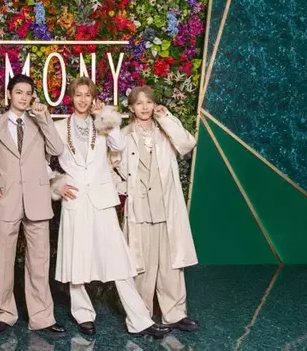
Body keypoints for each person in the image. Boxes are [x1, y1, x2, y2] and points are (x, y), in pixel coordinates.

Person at [51, 77, 171, 339]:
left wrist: (104, 117)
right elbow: (39, 158)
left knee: (119, 260)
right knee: (76, 259)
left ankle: (139, 320)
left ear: (93, 98)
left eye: (88, 95)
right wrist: (56, 184)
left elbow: (119, 146)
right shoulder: (59, 127)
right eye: (78, 94)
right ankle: (83, 315)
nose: (83, 99)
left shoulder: (103, 123)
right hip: (75, 198)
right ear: (71, 97)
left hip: (102, 197)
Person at [0, 74, 67, 338]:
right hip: (7, 199)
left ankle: (42, 317)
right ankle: (3, 313)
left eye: (28, 93)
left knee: (39, 260)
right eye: (19, 92)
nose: (24, 97)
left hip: (37, 199)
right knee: (3, 260)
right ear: (8, 94)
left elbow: (57, 148)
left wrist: (44, 117)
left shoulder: (39, 122)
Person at [117, 86, 199, 332]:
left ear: (154, 105)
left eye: (149, 102)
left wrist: (166, 117)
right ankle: (143, 316)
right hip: (140, 209)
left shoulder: (166, 131)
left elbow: (188, 143)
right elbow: (111, 166)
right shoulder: (123, 136)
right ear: (131, 108)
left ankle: (174, 314)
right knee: (141, 264)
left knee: (171, 264)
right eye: (139, 103)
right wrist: (124, 188)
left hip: (165, 207)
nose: (144, 107)